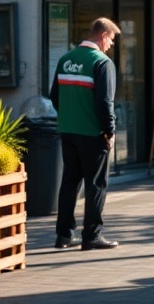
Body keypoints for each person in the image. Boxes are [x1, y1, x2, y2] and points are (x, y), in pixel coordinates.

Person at [49, 17, 120, 251]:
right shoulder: (102, 63)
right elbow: (104, 102)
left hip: (68, 131)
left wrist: (69, 116)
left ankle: (63, 235)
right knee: (96, 184)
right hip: (92, 132)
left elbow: (54, 96)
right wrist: (109, 131)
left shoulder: (65, 59)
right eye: (111, 39)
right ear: (102, 36)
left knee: (69, 182)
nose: (111, 45)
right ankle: (92, 235)